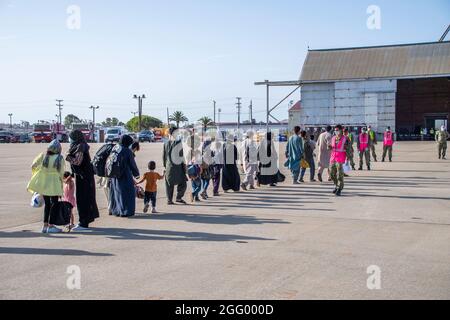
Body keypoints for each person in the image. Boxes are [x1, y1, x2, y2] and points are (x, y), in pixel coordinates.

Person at [27, 140, 65, 233]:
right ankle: (51, 225)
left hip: (45, 183)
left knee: (47, 205)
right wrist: (61, 186)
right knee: (54, 204)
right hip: (55, 183)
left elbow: (33, 165)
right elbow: (61, 173)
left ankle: (45, 225)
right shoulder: (59, 158)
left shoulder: (43, 155)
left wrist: (39, 172)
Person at [66, 130, 99, 231]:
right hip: (82, 176)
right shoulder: (79, 145)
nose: (69, 139)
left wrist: (68, 157)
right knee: (83, 198)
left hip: (84, 178)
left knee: (83, 199)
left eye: (71, 137)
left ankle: (83, 223)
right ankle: (84, 221)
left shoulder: (80, 146)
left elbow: (77, 161)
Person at [108, 135, 140, 217]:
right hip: (124, 174)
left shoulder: (115, 147)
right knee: (127, 193)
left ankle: (116, 210)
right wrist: (136, 174)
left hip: (114, 175)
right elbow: (132, 164)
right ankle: (126, 211)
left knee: (116, 193)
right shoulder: (127, 151)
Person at [163, 127, 188, 205]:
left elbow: (163, 156)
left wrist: (165, 166)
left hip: (168, 167)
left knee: (169, 184)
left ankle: (169, 200)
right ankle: (179, 197)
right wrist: (185, 166)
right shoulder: (178, 143)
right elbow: (181, 157)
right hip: (177, 167)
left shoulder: (165, 143)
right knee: (183, 182)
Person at [329, 125, 351, 196]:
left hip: (340, 158)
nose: (336, 131)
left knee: (339, 175)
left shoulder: (345, 139)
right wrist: (329, 147)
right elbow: (331, 146)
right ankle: (336, 185)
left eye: (337, 130)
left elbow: (348, 149)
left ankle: (339, 188)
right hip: (333, 158)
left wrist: (348, 158)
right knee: (331, 174)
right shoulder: (333, 138)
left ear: (341, 130)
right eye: (335, 130)